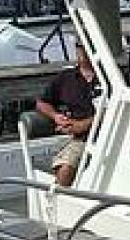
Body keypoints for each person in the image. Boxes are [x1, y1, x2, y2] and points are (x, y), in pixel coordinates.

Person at [35, 46, 100, 187]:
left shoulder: (111, 77)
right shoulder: (66, 78)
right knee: (66, 169)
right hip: (82, 140)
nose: (83, 51)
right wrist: (56, 116)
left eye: (87, 46)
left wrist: (84, 125)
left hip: (106, 135)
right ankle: (56, 206)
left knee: (66, 167)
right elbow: (42, 103)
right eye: (79, 46)